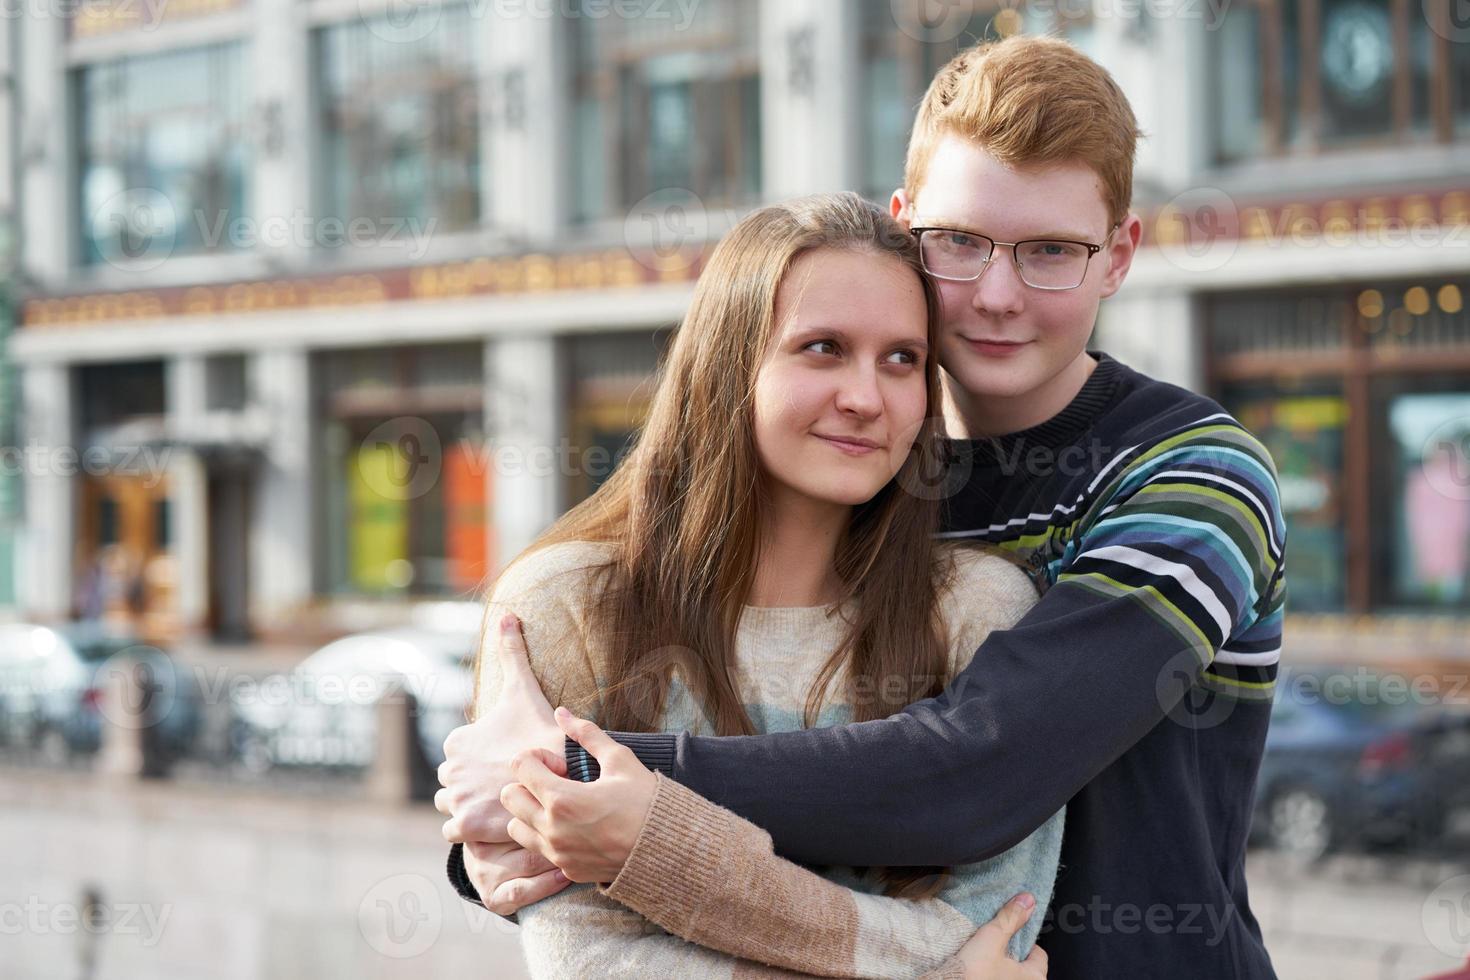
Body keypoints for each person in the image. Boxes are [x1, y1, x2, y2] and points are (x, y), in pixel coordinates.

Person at [441, 34, 1286, 980]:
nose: (998, 295)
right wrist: (526, 830)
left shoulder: (1193, 478)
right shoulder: (863, 472)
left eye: (1051, 250)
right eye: (962, 243)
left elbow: (983, 768)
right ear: (905, 226)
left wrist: (574, 777)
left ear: (1119, 255)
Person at [442, 192, 1058, 978]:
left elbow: (991, 929)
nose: (867, 398)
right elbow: (589, 960)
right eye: (824, 348)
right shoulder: (565, 605)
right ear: (731, 362)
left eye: (902, 359)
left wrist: (654, 851)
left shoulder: (978, 609)